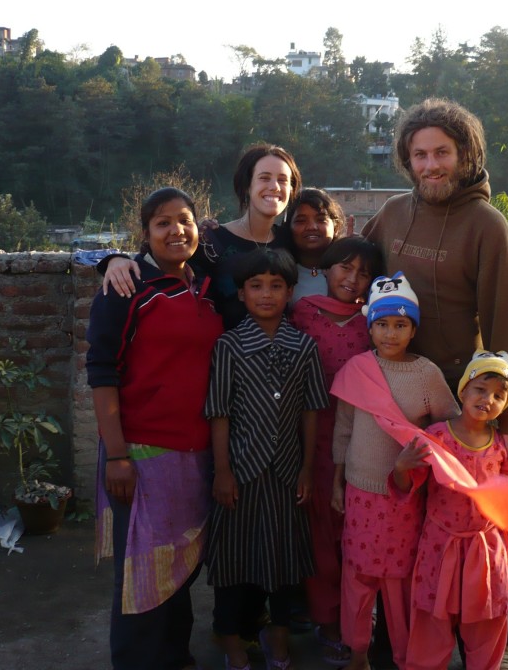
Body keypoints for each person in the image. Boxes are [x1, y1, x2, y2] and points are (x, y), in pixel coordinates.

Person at [85, 187, 224, 670]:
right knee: (142, 573)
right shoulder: (126, 289)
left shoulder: (205, 286)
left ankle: (175, 656)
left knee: (180, 569)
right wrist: (117, 454)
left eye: (184, 220)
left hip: (195, 452)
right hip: (141, 456)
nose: (175, 230)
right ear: (144, 234)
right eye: (162, 223)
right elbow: (102, 371)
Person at [361, 98, 508, 437]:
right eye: (420, 155)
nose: (430, 165)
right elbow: (351, 272)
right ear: (408, 161)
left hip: (455, 394)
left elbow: (506, 323)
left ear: (464, 155)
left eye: (442, 153)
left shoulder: (487, 225)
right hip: (390, 383)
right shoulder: (394, 212)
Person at [205, 248, 329, 670]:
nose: (266, 294)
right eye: (256, 286)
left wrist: (307, 469)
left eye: (276, 286)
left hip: (287, 471)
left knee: (284, 558)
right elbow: (218, 412)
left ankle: (277, 633)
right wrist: (222, 471)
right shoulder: (229, 345)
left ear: (290, 292)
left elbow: (312, 410)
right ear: (241, 294)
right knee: (234, 559)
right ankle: (230, 636)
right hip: (240, 469)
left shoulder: (304, 346)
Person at [329, 272, 460, 670]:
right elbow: (344, 429)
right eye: (382, 324)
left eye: (400, 324)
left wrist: (420, 464)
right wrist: (336, 482)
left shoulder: (426, 374)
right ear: (370, 327)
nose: (390, 333)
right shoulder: (356, 369)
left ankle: (406, 657)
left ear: (413, 328)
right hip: (359, 492)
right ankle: (358, 654)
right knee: (357, 577)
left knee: (400, 582)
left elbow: (447, 430)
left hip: (404, 498)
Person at [392, 351, 508, 670]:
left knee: (485, 620)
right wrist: (401, 467)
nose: (488, 399)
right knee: (434, 616)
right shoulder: (436, 437)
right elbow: (409, 486)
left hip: (486, 551)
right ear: (463, 390)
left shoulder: (502, 445)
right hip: (440, 546)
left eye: (499, 396)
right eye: (480, 388)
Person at [290, 237, 384, 666]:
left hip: (360, 443)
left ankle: (359, 622)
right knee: (320, 536)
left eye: (364, 272)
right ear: (326, 269)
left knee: (358, 534)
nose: (352, 278)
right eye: (345, 267)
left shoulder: (375, 322)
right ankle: (327, 622)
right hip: (311, 439)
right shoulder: (302, 314)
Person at [102, 144, 303, 329]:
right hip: (221, 360)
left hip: (283, 360)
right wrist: (116, 260)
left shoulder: (292, 240)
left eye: (283, 180)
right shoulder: (210, 240)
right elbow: (157, 259)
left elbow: (328, 259)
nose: (275, 187)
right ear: (246, 185)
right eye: (264, 178)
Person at [285, 187, 348, 305]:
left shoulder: (349, 272)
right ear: (289, 227)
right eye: (301, 221)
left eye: (321, 220)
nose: (312, 227)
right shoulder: (281, 272)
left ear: (335, 226)